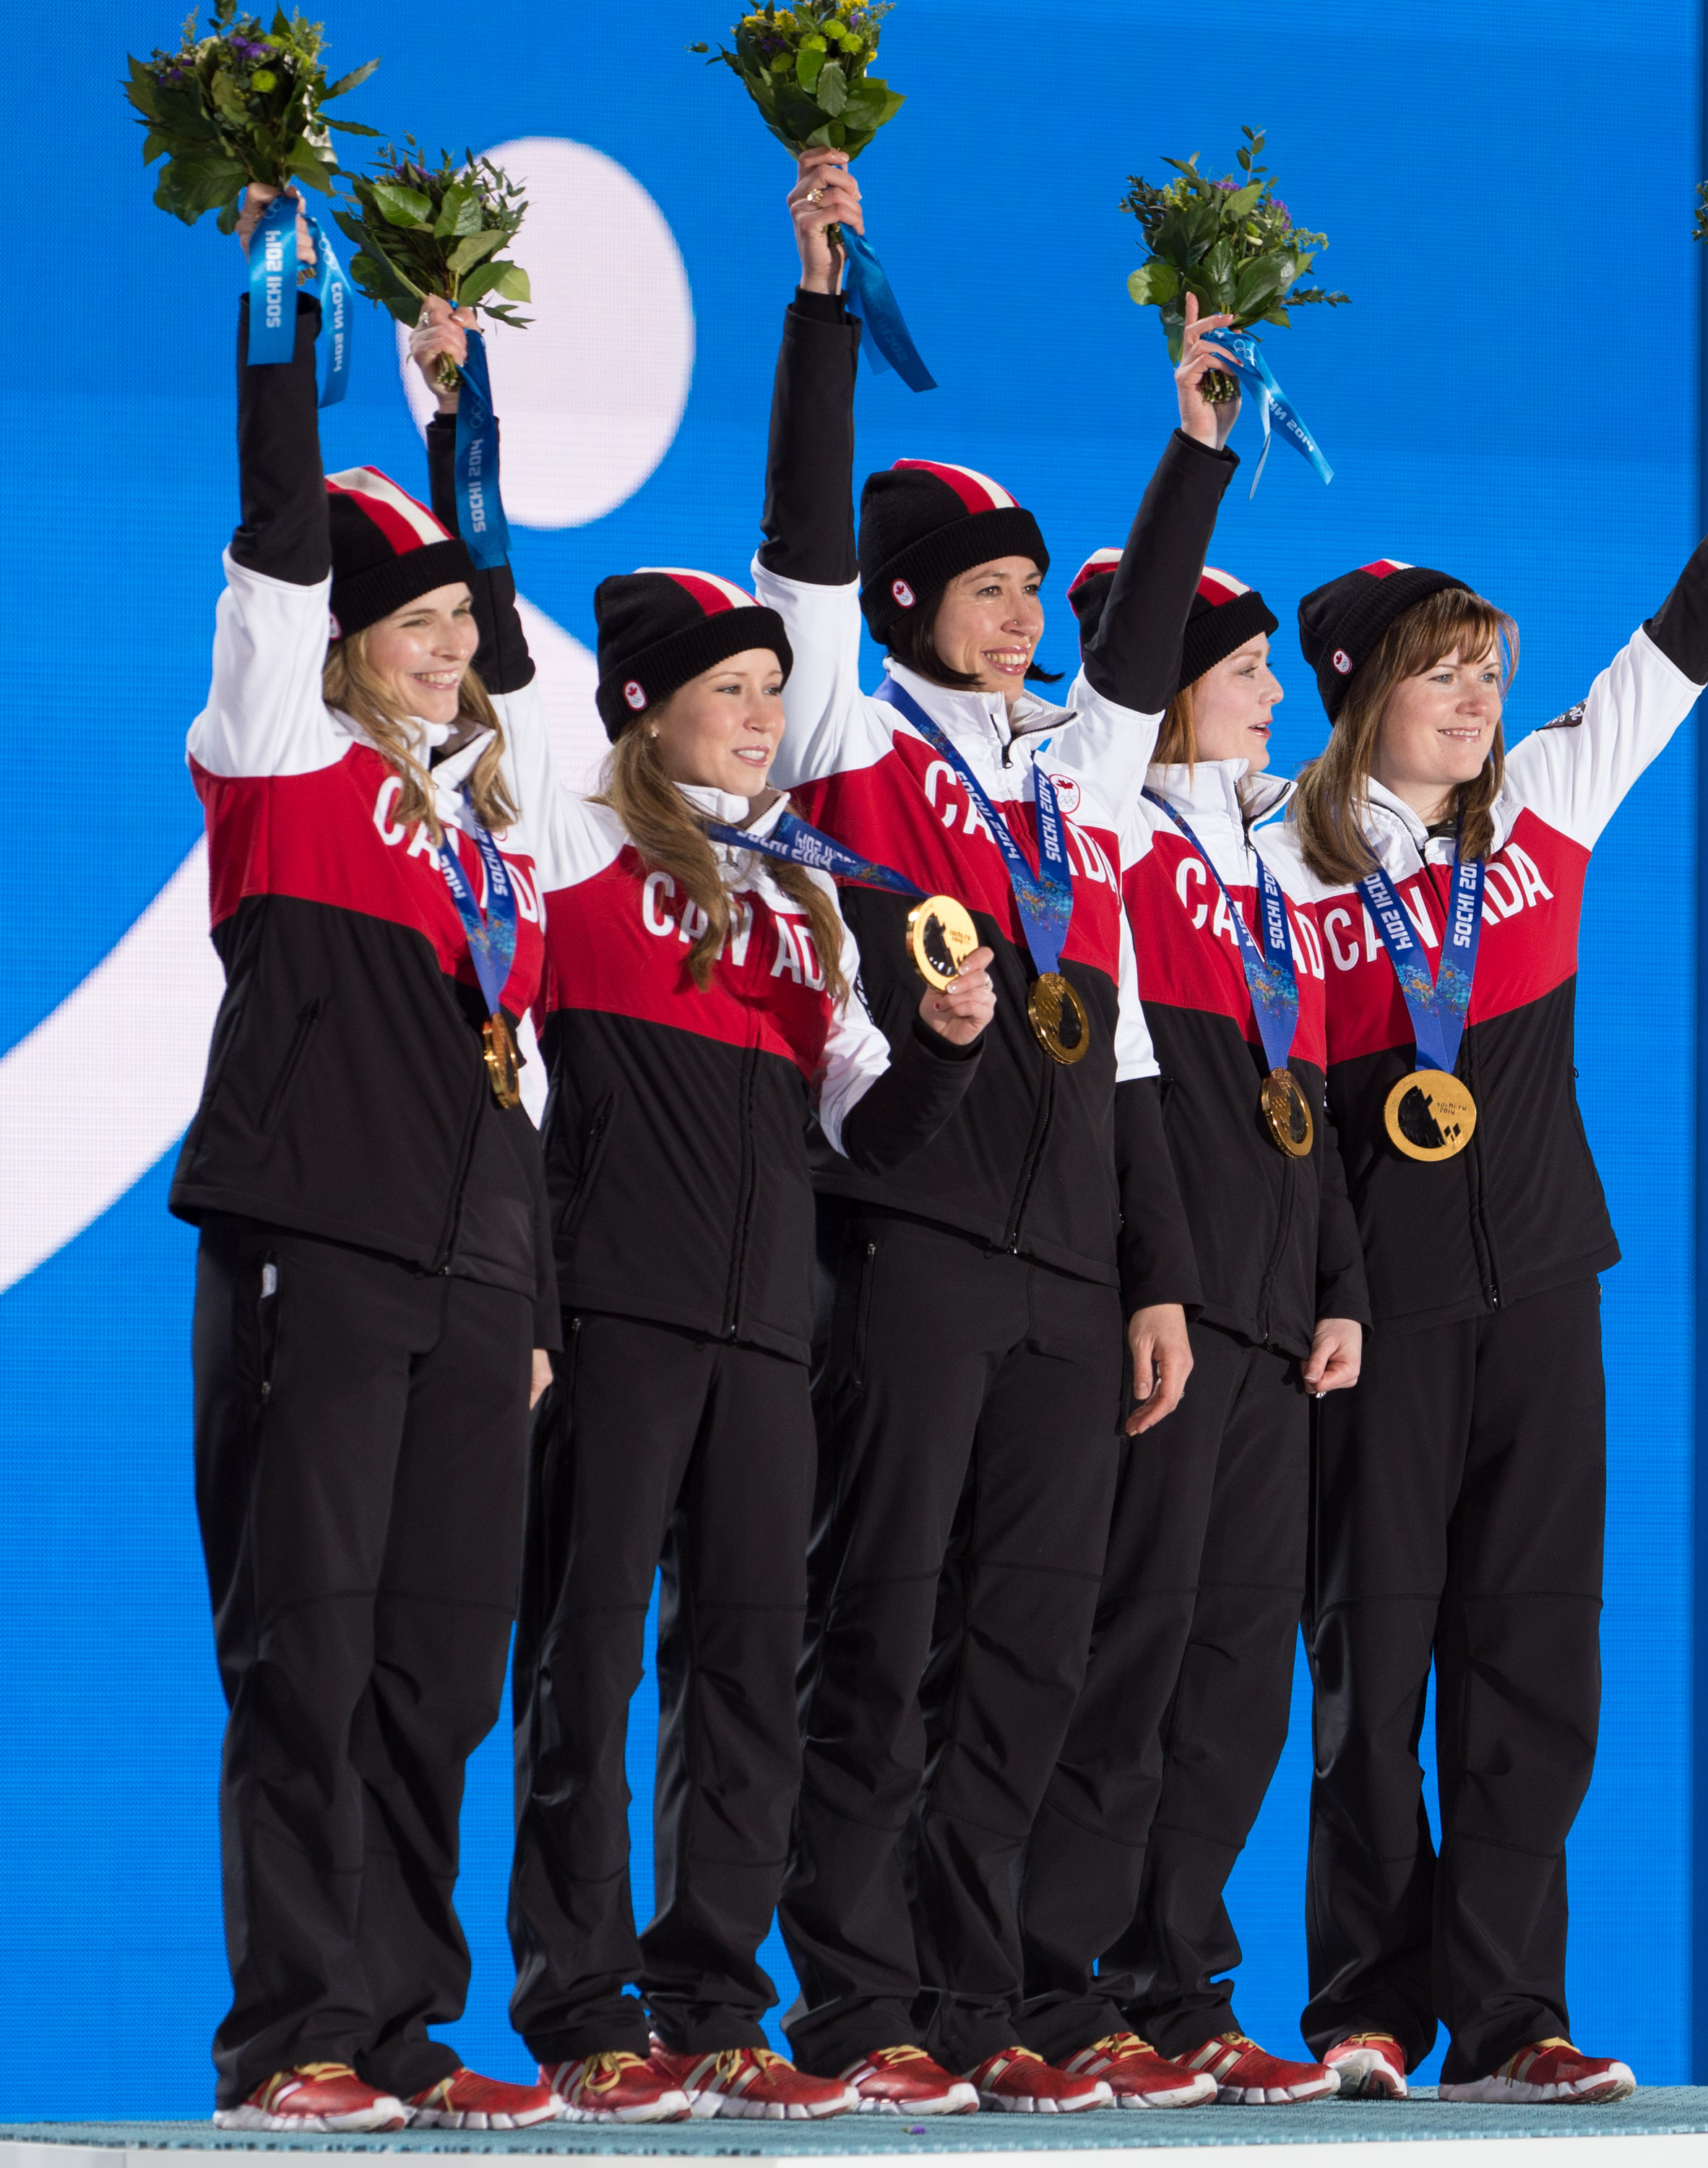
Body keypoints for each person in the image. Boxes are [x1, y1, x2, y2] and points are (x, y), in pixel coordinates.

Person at [397, 304, 996, 2122]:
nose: (765, 719)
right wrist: (462, 421)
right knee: (583, 1664)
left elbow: (863, 1123)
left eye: (771, 693)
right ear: (647, 706)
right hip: (613, 1314)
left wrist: (947, 1045)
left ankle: (717, 2003)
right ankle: (582, 2009)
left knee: (744, 1667)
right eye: (734, 691)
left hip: (767, 1334)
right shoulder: (573, 832)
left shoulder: (807, 897)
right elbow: (499, 634)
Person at [1289, 307, 1708, 2104]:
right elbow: (1277, 1122)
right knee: (1375, 1658)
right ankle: (1364, 2013)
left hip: (1543, 1285)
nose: (1479, 701)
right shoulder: (1273, 861)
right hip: (1372, 1312)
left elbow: (1692, 630)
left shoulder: (1543, 803)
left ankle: (1510, 2018)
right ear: (1358, 692)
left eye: (1491, 670)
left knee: (1532, 1656)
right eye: (1443, 675)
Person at [752, 150, 1238, 2112]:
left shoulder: (1070, 780)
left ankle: (985, 2002)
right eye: (991, 590)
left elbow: (1119, 1057)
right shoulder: (845, 736)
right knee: (881, 1629)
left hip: (1068, 1264)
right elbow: (798, 547)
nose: (1029, 617)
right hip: (908, 1237)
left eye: (1036, 589)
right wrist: (819, 312)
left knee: (1033, 1645)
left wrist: (1196, 447)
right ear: (903, 606)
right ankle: (855, 2005)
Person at [174, 187, 561, 2133]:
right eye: (412, 628)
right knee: (309, 1651)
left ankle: (403, 2023)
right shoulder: (279, 759)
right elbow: (271, 547)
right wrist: (285, 319)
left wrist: (455, 406)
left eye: (456, 630)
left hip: (476, 1279)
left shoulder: (492, 834)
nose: (446, 653)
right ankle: (292, 2041)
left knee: (437, 1671)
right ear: (342, 642)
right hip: (314, 1244)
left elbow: (523, 1082)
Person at [1012, 556, 1369, 2105]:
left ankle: (1180, 1988)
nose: (1277, 695)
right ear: (1166, 687)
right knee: (1132, 1655)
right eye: (1245, 671)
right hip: (1170, 1313)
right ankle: (1058, 1979)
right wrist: (1154, 1272)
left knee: (1235, 1680)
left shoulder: (1267, 862)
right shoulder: (1112, 842)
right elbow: (1131, 1093)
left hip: (1275, 1323)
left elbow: (1308, 1100)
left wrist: (1340, 1286)